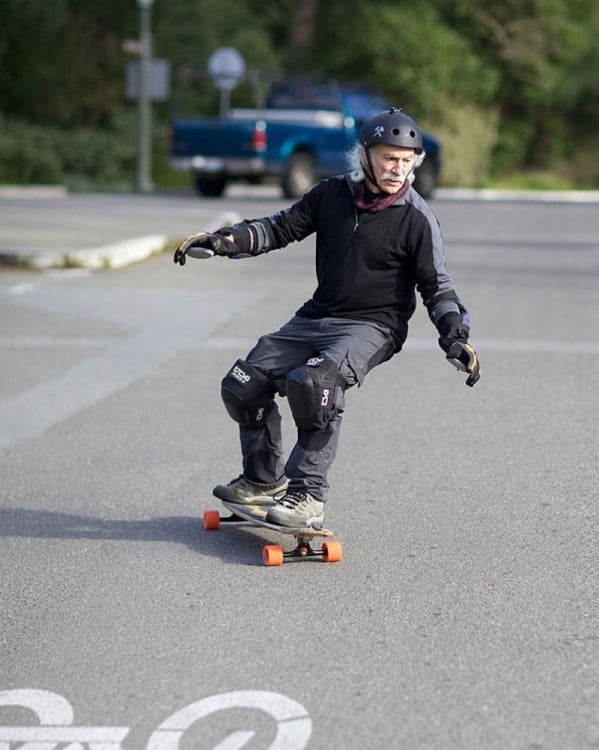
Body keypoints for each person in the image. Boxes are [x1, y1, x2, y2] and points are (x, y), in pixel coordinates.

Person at [174, 108, 480, 528]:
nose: (398, 168)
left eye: (407, 160)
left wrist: (455, 336)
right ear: (366, 155)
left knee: (313, 384)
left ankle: (308, 494)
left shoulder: (417, 217)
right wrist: (226, 240)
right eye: (390, 158)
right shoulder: (331, 195)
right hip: (317, 316)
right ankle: (263, 482)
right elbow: (279, 228)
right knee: (243, 386)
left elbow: (438, 286)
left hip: (374, 326)